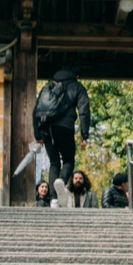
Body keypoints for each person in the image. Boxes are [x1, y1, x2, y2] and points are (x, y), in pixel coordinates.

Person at [32, 66, 91, 206]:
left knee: (54, 163)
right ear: (76, 75)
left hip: (47, 128)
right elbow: (84, 111)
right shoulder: (77, 87)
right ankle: (62, 180)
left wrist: (37, 134)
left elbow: (36, 110)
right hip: (65, 127)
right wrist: (84, 135)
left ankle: (53, 199)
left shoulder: (48, 86)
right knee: (68, 160)